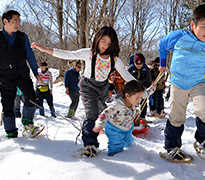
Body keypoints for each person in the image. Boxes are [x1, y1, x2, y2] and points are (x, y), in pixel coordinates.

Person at [31, 26, 135, 157]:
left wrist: (140, 87)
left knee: (107, 113)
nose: (106, 46)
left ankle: (121, 138)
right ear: (97, 39)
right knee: (92, 113)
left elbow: (126, 75)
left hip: (103, 87)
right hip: (88, 86)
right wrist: (45, 49)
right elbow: (68, 54)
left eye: (109, 43)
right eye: (103, 41)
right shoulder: (89, 53)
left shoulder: (114, 60)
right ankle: (90, 144)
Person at [158, 4, 205, 160]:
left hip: (198, 82)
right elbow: (163, 45)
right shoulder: (179, 36)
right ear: (193, 25)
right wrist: (162, 63)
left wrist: (202, 71)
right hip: (177, 82)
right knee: (176, 116)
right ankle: (172, 147)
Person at [0, 10, 43, 138]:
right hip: (5, 76)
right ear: (5, 21)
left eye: (19, 21)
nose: (18, 24)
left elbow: (30, 56)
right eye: (15, 21)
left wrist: (36, 72)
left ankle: (28, 122)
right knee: (8, 105)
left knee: (31, 98)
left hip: (22, 73)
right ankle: (11, 132)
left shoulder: (22, 36)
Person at [93, 80, 155, 156]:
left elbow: (146, 93)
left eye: (140, 98)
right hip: (114, 128)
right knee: (116, 145)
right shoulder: (117, 105)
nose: (139, 100)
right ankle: (116, 158)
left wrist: (153, 87)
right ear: (127, 95)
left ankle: (129, 152)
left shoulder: (134, 99)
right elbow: (105, 113)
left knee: (128, 142)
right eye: (137, 98)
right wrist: (99, 124)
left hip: (127, 127)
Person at [128, 53, 152, 122]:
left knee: (143, 101)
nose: (139, 65)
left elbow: (148, 81)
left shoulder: (146, 69)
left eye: (140, 63)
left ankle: (142, 117)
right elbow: (125, 79)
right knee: (131, 103)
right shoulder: (130, 68)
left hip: (142, 88)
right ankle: (131, 117)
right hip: (132, 89)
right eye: (137, 63)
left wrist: (144, 88)